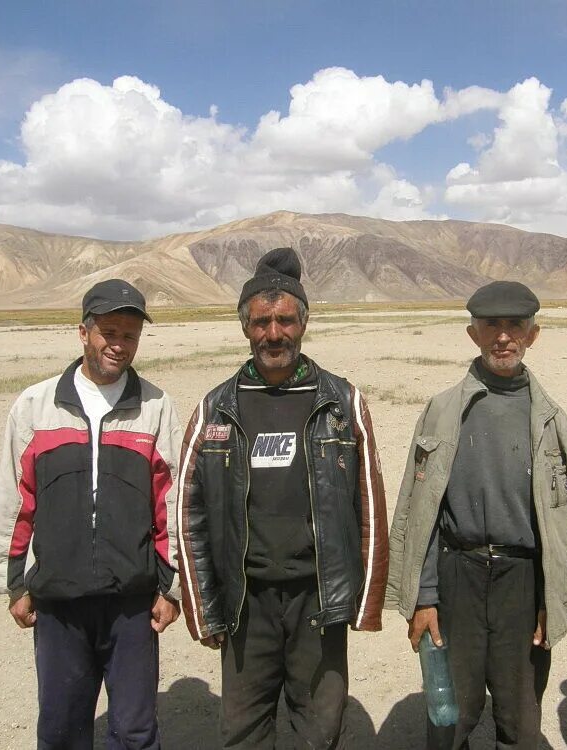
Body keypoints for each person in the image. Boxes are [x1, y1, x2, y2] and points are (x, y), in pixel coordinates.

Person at [387, 281, 567, 750]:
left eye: (515, 325)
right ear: (472, 333)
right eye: (492, 325)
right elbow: (420, 513)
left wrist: (549, 599)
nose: (503, 337)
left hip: (523, 584)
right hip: (457, 581)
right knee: (450, 716)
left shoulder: (550, 418)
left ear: (533, 335)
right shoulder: (441, 411)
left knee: (520, 719)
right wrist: (425, 596)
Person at [176, 247, 389, 749]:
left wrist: (363, 601)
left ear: (305, 322)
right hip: (246, 602)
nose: (274, 334)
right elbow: (189, 515)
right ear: (245, 328)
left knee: (318, 731)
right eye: (262, 322)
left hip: (317, 598)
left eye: (285, 320)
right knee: (243, 731)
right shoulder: (216, 410)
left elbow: (371, 506)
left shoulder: (340, 403)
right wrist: (203, 606)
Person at [0, 279, 183, 749]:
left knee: (135, 732)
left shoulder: (155, 407)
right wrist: (13, 582)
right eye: (109, 332)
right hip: (59, 602)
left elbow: (171, 503)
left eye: (130, 335)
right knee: (61, 729)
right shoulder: (36, 406)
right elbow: (14, 500)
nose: (119, 345)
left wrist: (171, 587)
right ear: (83, 332)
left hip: (132, 603)